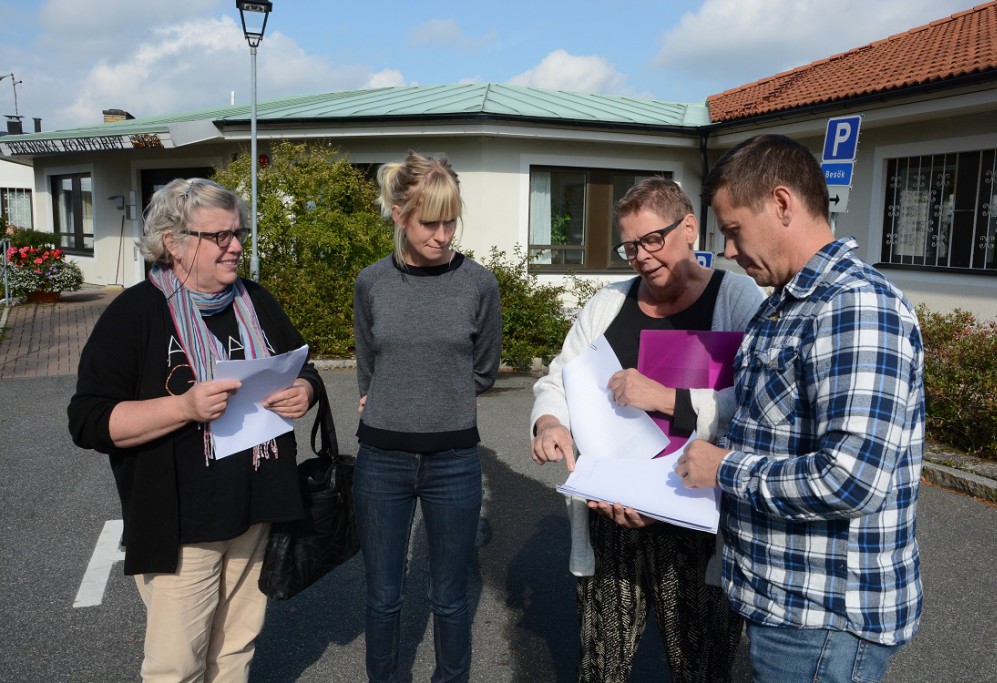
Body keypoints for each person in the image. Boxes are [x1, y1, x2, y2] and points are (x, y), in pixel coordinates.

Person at [677, 134, 925, 683]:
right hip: (787, 604)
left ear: (782, 203)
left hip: (824, 620)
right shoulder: (786, 305)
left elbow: (850, 480)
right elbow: (761, 423)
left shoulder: (853, 307)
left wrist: (722, 467)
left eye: (734, 230)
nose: (728, 251)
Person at [67, 177, 321, 682]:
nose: (236, 246)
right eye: (219, 236)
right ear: (173, 243)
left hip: (256, 507)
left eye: (239, 232)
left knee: (234, 653)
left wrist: (306, 391)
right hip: (182, 522)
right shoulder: (136, 313)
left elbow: (302, 367)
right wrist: (182, 408)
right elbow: (90, 420)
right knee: (176, 666)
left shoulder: (255, 300)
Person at [530, 177, 764, 683]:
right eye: (630, 246)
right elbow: (560, 378)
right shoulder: (609, 303)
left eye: (652, 240)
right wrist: (550, 419)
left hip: (698, 519)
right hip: (611, 514)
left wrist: (665, 398)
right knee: (601, 666)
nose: (640, 256)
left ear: (688, 228)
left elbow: (757, 401)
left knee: (700, 668)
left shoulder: (737, 297)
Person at [353, 151, 502, 683]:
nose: (443, 234)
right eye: (430, 222)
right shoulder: (371, 283)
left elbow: (483, 371)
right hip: (380, 461)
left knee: (450, 596)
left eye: (451, 221)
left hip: (455, 462)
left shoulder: (480, 285)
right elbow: (367, 364)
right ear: (400, 216)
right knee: (384, 597)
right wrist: (389, 397)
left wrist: (438, 397)